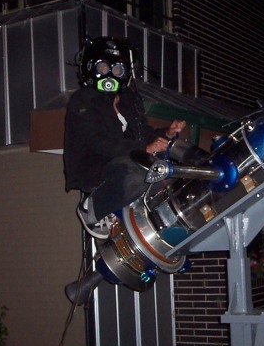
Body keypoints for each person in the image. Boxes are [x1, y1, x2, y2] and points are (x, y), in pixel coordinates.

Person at [63, 35, 186, 239]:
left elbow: (143, 135)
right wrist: (144, 149)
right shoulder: (83, 100)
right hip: (94, 166)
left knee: (166, 173)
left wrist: (166, 133)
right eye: (103, 67)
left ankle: (155, 225)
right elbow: (99, 142)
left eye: (117, 69)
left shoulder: (129, 100)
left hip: (124, 163)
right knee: (137, 170)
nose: (110, 74)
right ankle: (90, 208)